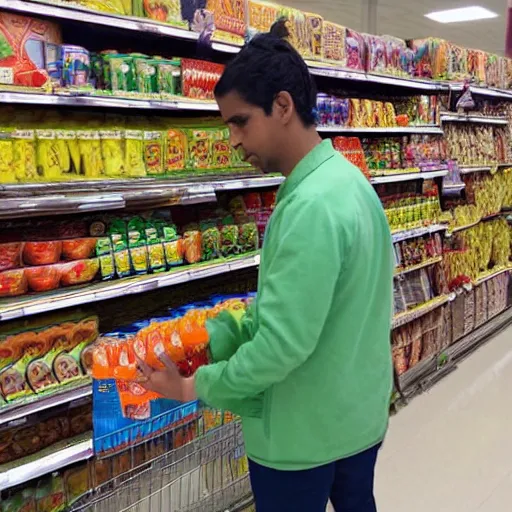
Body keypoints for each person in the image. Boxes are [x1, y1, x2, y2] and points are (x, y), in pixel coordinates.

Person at [137, 20, 394, 512]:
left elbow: (282, 345)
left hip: (302, 436)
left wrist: (194, 386)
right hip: (355, 418)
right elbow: (321, 306)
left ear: (282, 106)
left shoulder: (308, 208)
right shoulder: (349, 182)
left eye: (240, 122)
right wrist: (218, 336)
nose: (233, 139)